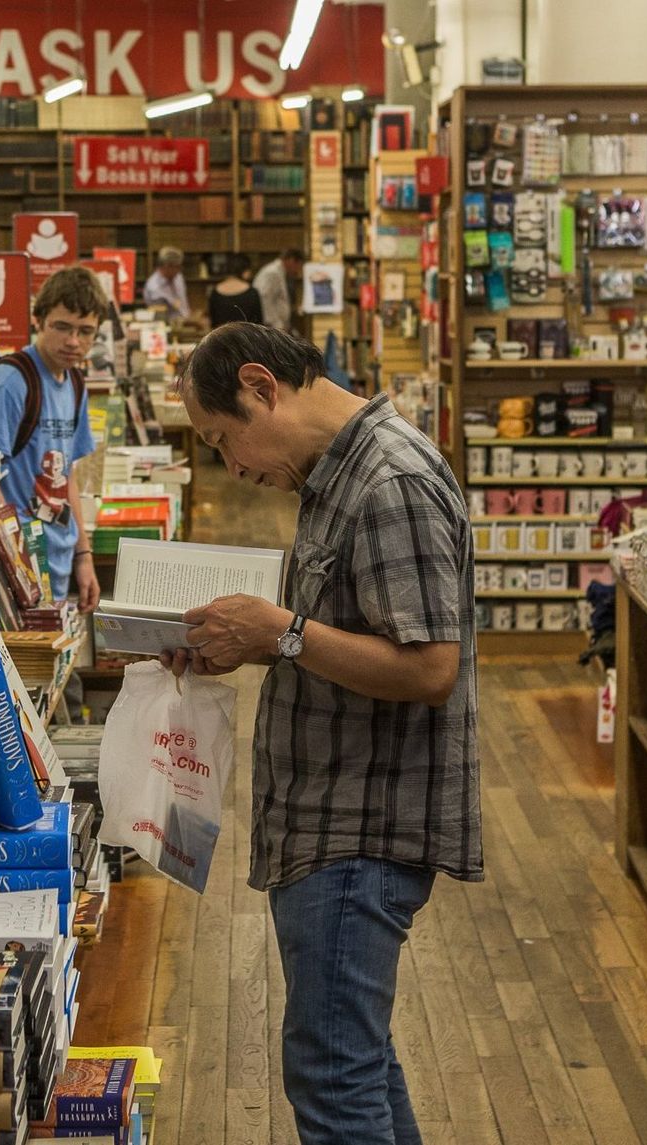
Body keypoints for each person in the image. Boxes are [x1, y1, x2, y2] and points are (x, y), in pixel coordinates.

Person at [164, 323, 480, 1145]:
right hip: (331, 816)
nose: (231, 466)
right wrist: (252, 639)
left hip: (360, 830)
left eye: (224, 440)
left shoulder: (389, 481)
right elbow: (340, 633)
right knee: (356, 1064)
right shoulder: (336, 475)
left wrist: (282, 634)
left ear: (264, 387)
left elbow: (429, 665)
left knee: (334, 1077)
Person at [0, 266, 105, 612]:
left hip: (57, 559)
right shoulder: (9, 384)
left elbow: (67, 475)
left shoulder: (74, 383)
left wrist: (83, 555)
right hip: (15, 566)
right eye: (62, 326)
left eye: (85, 331)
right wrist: (16, 561)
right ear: (38, 320)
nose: (74, 341)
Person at [251, 247, 304, 331]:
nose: (297, 271)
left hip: (276, 327)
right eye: (298, 266)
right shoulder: (272, 273)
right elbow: (265, 300)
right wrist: (276, 325)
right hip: (271, 327)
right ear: (291, 261)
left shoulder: (279, 272)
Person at [207, 254, 264, 327]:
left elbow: (213, 321)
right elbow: (259, 322)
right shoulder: (252, 292)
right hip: (246, 336)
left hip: (222, 336)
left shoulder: (215, 291)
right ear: (244, 271)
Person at [142, 246, 189, 318]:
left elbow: (183, 305)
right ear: (167, 266)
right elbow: (158, 315)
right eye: (177, 267)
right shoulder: (153, 287)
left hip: (185, 321)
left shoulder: (178, 277)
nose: (179, 270)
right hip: (167, 325)